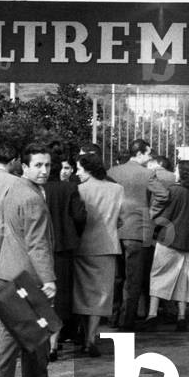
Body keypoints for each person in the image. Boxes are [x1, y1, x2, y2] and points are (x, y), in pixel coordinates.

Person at [0, 143, 61, 377]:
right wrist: (49, 278)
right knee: (16, 330)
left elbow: (0, 231)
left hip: (9, 269)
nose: (44, 170)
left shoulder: (13, 189)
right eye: (38, 165)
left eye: (48, 165)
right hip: (27, 275)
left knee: (36, 328)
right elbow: (37, 244)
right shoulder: (32, 198)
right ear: (25, 166)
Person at [143, 159, 189, 332]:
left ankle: (152, 314)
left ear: (183, 173)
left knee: (158, 276)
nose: (175, 173)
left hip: (168, 239)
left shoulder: (174, 191)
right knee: (183, 279)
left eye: (178, 170)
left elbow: (163, 217)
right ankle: (181, 317)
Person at [106, 139, 161, 331]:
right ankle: (126, 320)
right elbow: (163, 195)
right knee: (133, 279)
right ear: (139, 154)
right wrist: (150, 212)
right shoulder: (148, 174)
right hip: (138, 231)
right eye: (148, 154)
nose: (149, 157)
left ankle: (113, 316)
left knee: (116, 277)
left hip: (114, 229)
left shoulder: (112, 172)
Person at [74, 152, 123, 356]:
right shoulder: (117, 189)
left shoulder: (79, 190)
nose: (77, 173)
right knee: (101, 294)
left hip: (83, 246)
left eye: (79, 168)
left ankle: (84, 334)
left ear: (88, 169)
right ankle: (91, 337)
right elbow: (121, 218)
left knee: (82, 292)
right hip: (107, 245)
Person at [42, 151, 86, 360]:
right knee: (61, 295)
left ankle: (43, 340)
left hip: (40, 246)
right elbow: (79, 216)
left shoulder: (37, 189)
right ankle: (54, 341)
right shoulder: (71, 188)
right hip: (64, 246)